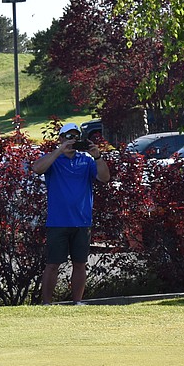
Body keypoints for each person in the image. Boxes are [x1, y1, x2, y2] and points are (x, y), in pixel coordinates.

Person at [32, 122, 112, 305]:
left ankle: (77, 302)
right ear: (60, 138)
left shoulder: (86, 160)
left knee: (80, 264)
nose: (72, 140)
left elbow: (105, 178)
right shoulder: (53, 159)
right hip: (58, 222)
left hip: (82, 221)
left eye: (75, 137)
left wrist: (98, 156)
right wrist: (59, 150)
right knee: (52, 265)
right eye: (68, 136)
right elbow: (37, 168)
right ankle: (46, 304)